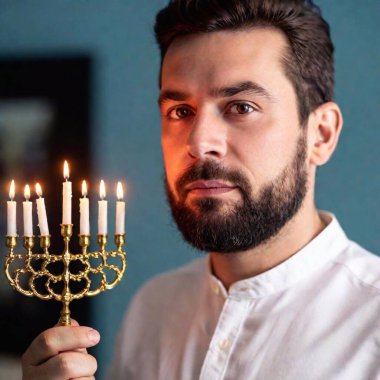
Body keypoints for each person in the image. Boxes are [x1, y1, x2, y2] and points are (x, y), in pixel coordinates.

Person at [22, 1, 380, 379]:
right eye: (180, 112)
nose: (198, 142)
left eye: (241, 107)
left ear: (320, 135)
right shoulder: (153, 307)